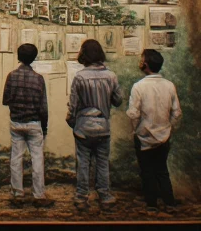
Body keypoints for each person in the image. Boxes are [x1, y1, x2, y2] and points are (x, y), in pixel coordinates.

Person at [66, 39, 123, 211]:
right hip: (103, 126)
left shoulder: (79, 77)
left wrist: (72, 121)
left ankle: (81, 197)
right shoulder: (111, 76)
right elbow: (118, 100)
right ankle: (105, 196)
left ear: (83, 55)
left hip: (83, 127)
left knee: (83, 163)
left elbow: (73, 105)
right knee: (103, 163)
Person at [126, 49, 182, 214]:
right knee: (162, 170)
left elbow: (133, 114)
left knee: (147, 171)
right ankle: (169, 203)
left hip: (143, 136)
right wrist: (169, 128)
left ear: (146, 64)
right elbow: (177, 113)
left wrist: (135, 131)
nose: (140, 61)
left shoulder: (138, 87)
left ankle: (152, 205)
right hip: (164, 136)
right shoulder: (169, 85)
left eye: (141, 59)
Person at [2, 44, 53, 207]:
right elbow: (43, 107)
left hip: (16, 122)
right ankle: (39, 195)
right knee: (37, 159)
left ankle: (17, 194)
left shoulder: (11, 76)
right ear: (34, 57)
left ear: (18, 56)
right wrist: (44, 127)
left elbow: (5, 100)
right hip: (34, 123)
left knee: (16, 158)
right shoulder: (38, 79)